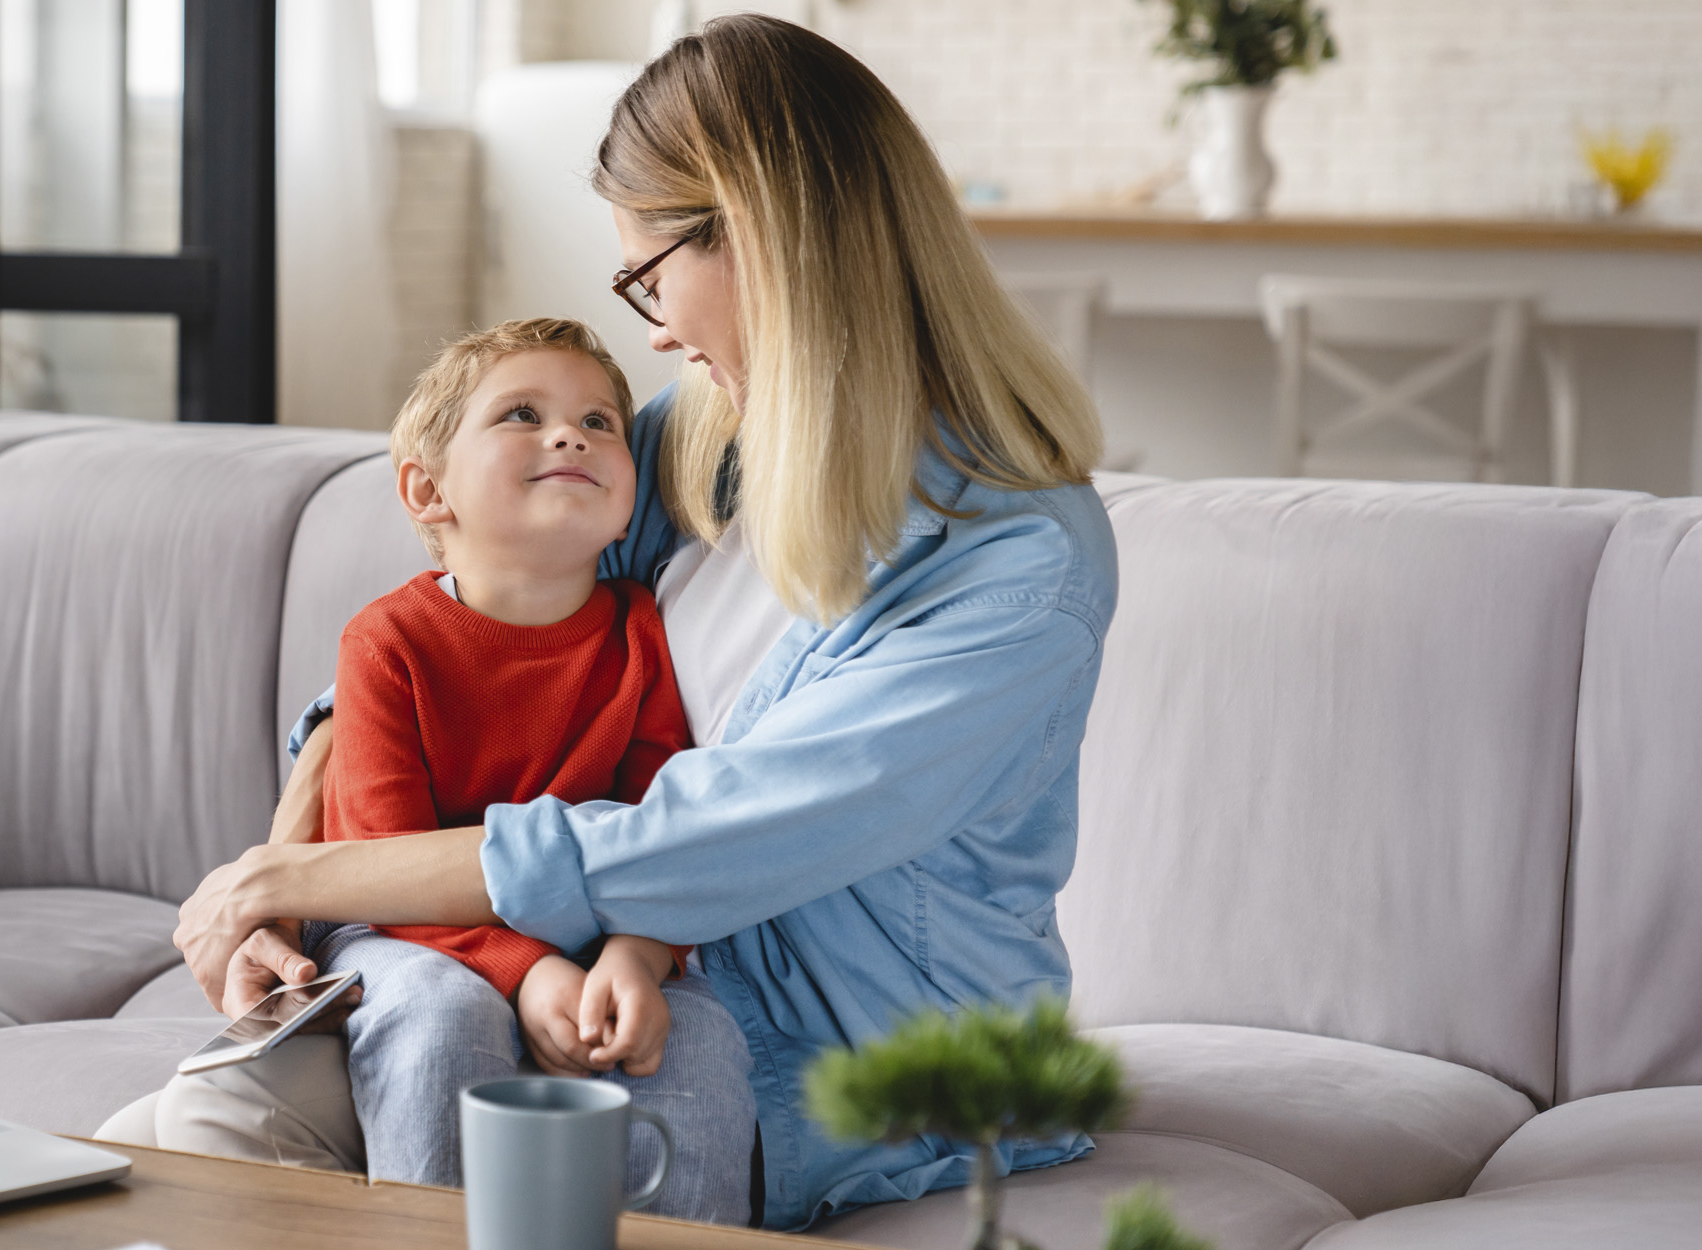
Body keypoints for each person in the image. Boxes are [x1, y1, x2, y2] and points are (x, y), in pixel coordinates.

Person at [160, 15, 1115, 1232]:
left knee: (243, 1140)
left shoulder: (1014, 566)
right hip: (598, 977)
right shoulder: (703, 439)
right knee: (211, 1118)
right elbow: (455, 640)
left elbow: (707, 834)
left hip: (832, 1061)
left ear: (759, 235)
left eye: (647, 279)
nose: (653, 330)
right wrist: (278, 889)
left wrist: (304, 874)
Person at [294, 316, 752, 1219]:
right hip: (396, 932)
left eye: (599, 421)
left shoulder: (645, 634)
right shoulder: (385, 644)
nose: (569, 435)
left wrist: (638, 958)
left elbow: (664, 834)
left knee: (696, 1038)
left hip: (591, 938)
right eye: (522, 415)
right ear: (428, 490)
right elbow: (382, 867)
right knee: (442, 1015)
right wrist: (528, 972)